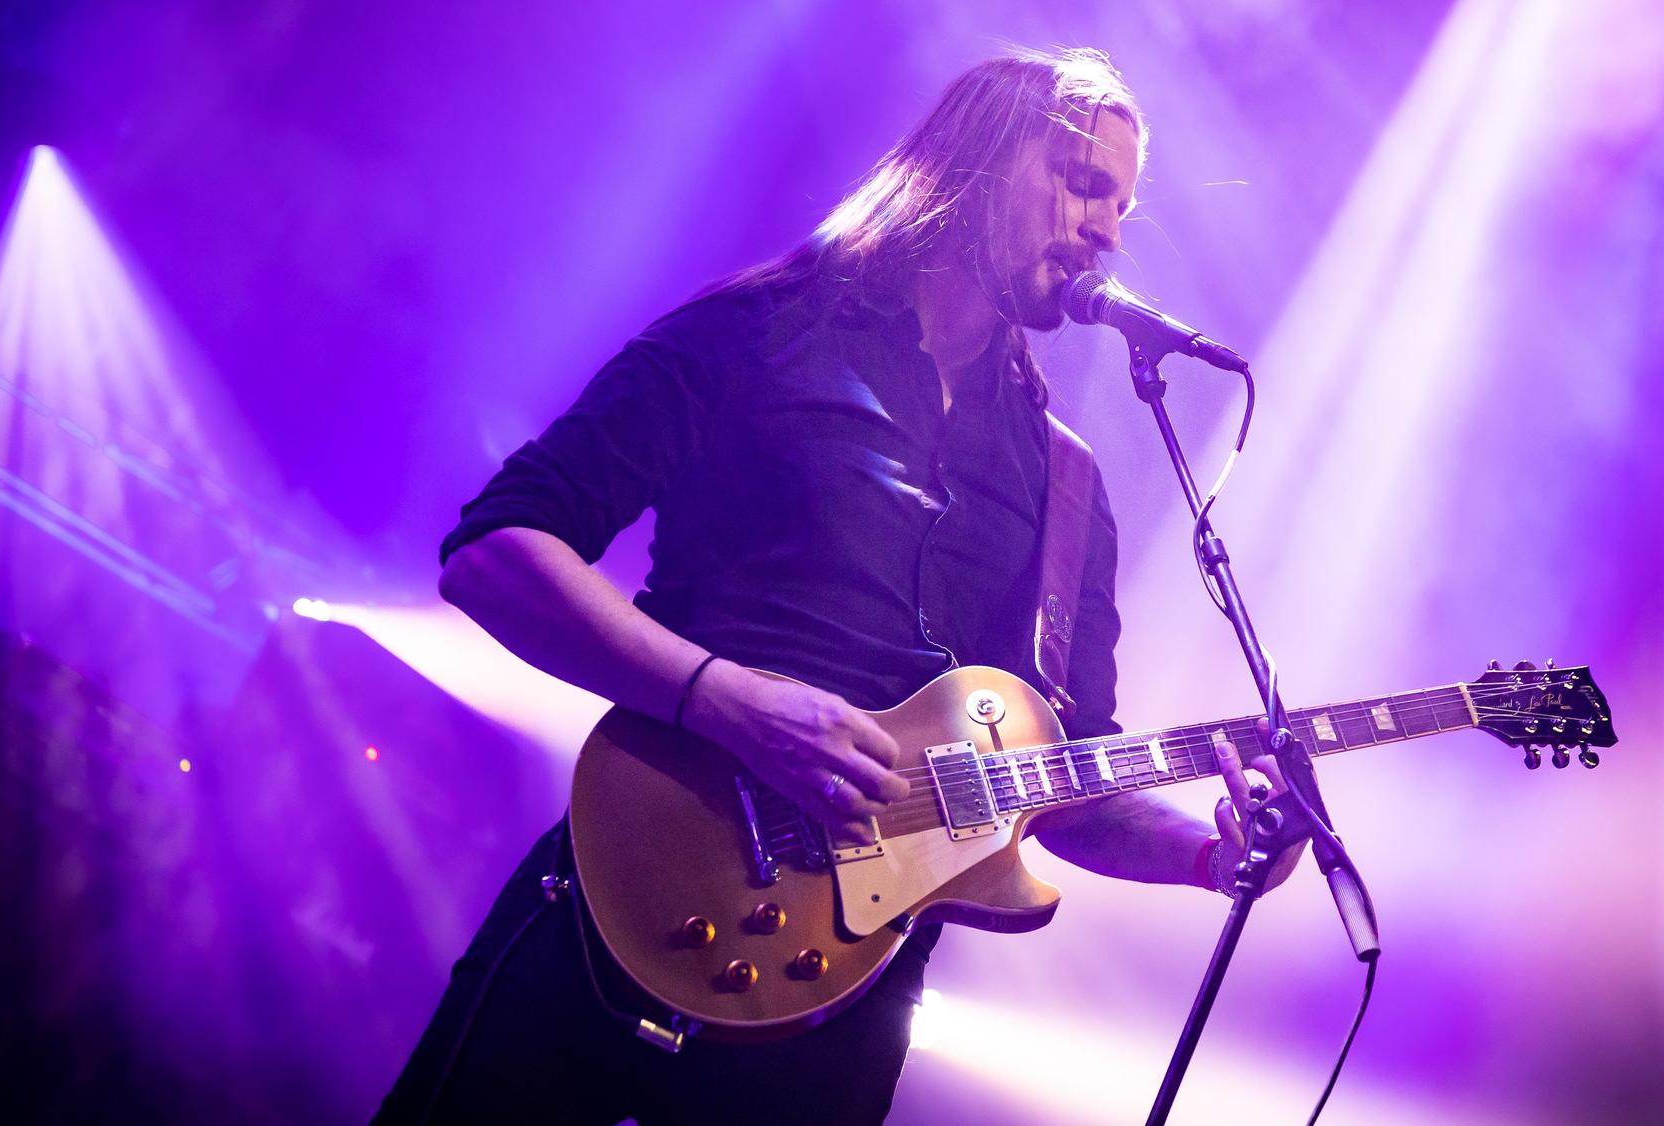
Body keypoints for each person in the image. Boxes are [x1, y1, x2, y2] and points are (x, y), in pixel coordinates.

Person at [375, 47, 1295, 1125]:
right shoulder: (757, 334)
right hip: (620, 906)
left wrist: (1205, 851)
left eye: (1120, 207)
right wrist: (727, 698)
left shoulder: (1066, 485)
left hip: (837, 1018)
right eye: (1082, 181)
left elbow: (1059, 777)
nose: (1103, 227)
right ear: (982, 158)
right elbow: (493, 553)